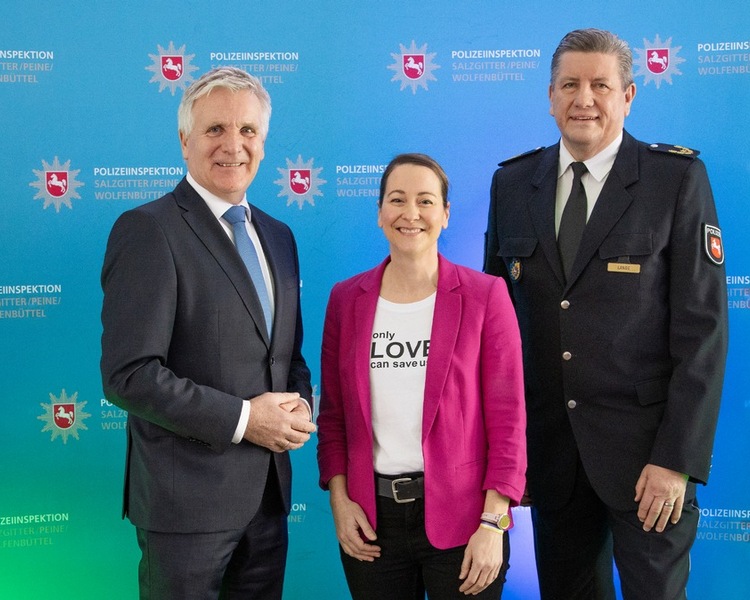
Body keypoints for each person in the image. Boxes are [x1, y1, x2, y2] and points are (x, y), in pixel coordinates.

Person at [484, 29, 728, 600]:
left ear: (629, 96)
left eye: (600, 85)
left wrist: (676, 460)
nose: (584, 99)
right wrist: (507, 458)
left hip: (649, 465)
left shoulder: (675, 179)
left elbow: (703, 331)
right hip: (552, 460)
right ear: (550, 96)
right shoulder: (512, 183)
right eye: (570, 84)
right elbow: (497, 334)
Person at [100, 66, 316, 599]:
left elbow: (286, 356)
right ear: (185, 140)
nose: (233, 145)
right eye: (216, 129)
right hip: (186, 510)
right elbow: (130, 375)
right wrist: (246, 420)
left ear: (263, 142)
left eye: (248, 130)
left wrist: (298, 406)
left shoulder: (279, 235)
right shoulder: (149, 229)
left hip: (267, 502)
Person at [317, 153, 526, 599]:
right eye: (397, 200)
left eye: (425, 201)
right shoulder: (345, 300)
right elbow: (333, 417)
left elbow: (508, 421)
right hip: (372, 524)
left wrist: (494, 522)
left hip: (466, 522)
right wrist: (340, 500)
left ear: (445, 214)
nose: (410, 213)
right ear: (379, 212)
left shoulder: (486, 296)